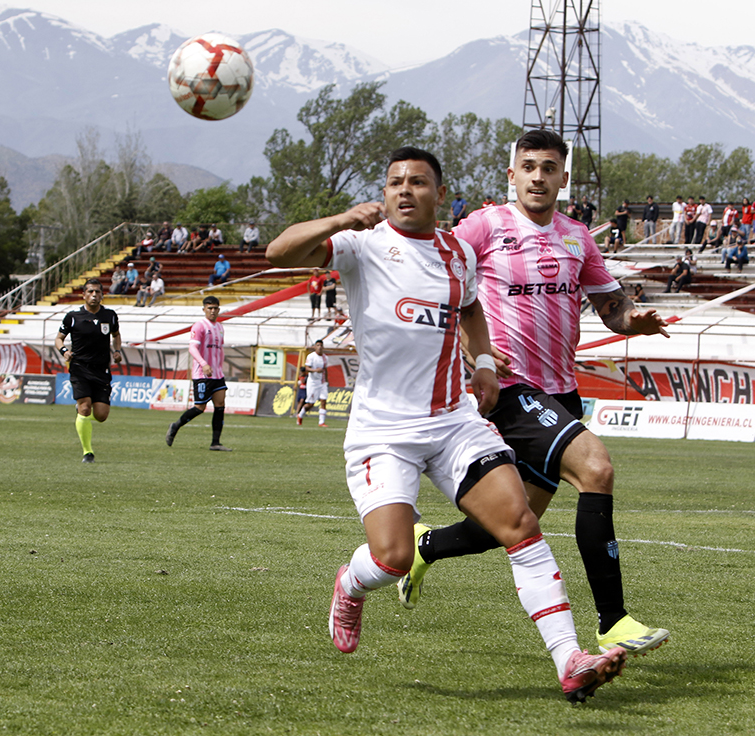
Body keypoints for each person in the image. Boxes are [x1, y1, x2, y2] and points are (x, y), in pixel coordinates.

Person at [265, 145, 629, 702]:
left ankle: (569, 657)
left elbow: (471, 310)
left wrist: (483, 364)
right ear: (383, 194)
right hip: (384, 429)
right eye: (394, 183)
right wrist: (341, 217)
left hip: (454, 420)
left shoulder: (457, 252)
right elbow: (277, 252)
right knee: (393, 556)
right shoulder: (361, 247)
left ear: (439, 193)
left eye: (417, 182)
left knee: (520, 523)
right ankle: (351, 584)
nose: (404, 191)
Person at [397, 131, 670, 659]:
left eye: (549, 168)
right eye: (528, 167)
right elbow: (434, 280)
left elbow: (611, 308)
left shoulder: (576, 238)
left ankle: (422, 547)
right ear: (512, 176)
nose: (538, 176)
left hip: (561, 395)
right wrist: (470, 350)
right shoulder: (483, 226)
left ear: (563, 179)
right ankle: (612, 622)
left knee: (510, 521)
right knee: (596, 467)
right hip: (510, 390)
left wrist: (632, 321)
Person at [54, 278, 122, 463]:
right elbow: (59, 339)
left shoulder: (110, 315)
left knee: (101, 415)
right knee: (85, 408)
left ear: (102, 295)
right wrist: (64, 352)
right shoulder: (73, 317)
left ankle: (81, 413)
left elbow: (116, 335)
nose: (94, 295)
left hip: (102, 370)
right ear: (83, 295)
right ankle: (87, 453)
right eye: (90, 292)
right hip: (79, 368)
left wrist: (117, 351)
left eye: (97, 292)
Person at [165, 296, 232, 452]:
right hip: (202, 374)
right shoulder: (199, 326)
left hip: (217, 374)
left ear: (219, 310)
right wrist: (204, 364)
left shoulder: (220, 327)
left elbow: (220, 350)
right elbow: (192, 348)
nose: (213, 311)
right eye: (210, 308)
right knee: (200, 407)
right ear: (204, 309)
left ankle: (215, 443)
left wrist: (220, 367)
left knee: (220, 405)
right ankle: (175, 426)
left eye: (215, 308)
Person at [296, 339, 329, 427]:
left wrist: (326, 381)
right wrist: (315, 370)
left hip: (322, 383)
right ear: (315, 347)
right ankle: (300, 414)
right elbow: (307, 368)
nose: (319, 347)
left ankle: (321, 422)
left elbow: (325, 369)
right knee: (310, 404)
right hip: (313, 382)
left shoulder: (325, 358)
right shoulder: (311, 356)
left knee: (323, 401)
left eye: (321, 345)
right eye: (317, 345)